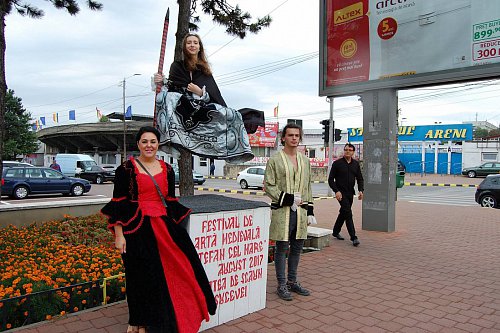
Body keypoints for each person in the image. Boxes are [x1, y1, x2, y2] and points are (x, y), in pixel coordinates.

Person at [101, 126, 216, 333]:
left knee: (182, 269)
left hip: (163, 229)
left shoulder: (168, 169)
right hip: (136, 230)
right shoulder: (126, 169)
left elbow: (170, 200)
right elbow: (118, 203)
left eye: (153, 141)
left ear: (158, 144)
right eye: (144, 141)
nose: (149, 145)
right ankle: (137, 321)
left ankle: (165, 319)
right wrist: (119, 235)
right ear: (138, 144)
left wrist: (179, 226)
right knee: (139, 278)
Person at [153, 33, 262, 163]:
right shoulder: (176, 66)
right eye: (189, 42)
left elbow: (214, 95)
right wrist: (161, 80)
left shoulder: (205, 70)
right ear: (184, 46)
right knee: (164, 98)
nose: (192, 45)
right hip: (182, 107)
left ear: (200, 47)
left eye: (195, 42)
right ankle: (174, 142)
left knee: (231, 115)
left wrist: (200, 93)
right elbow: (171, 87)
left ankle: (228, 148)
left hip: (201, 107)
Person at [264, 123, 316, 301]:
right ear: (283, 138)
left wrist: (310, 210)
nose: (294, 138)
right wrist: (287, 198)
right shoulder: (275, 160)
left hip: (300, 212)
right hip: (283, 211)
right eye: (290, 135)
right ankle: (281, 284)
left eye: (296, 135)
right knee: (281, 248)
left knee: (297, 248)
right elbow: (268, 185)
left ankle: (293, 281)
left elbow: (308, 186)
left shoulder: (305, 161)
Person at [328, 143, 364, 247]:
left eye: (350, 150)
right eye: (346, 149)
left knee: (344, 212)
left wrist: (361, 190)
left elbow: (360, 179)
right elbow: (330, 179)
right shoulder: (337, 164)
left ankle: (335, 231)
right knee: (348, 213)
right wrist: (336, 191)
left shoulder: (355, 164)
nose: (347, 151)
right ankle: (354, 237)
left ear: (353, 152)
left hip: (350, 193)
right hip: (341, 194)